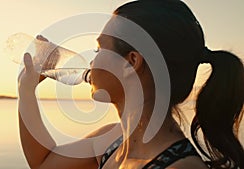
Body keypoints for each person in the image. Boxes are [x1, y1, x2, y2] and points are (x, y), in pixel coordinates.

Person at [17, 0, 244, 168]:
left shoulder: (180, 166)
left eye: (99, 48)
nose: (93, 59)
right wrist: (26, 90)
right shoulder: (109, 140)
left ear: (131, 61)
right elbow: (43, 164)